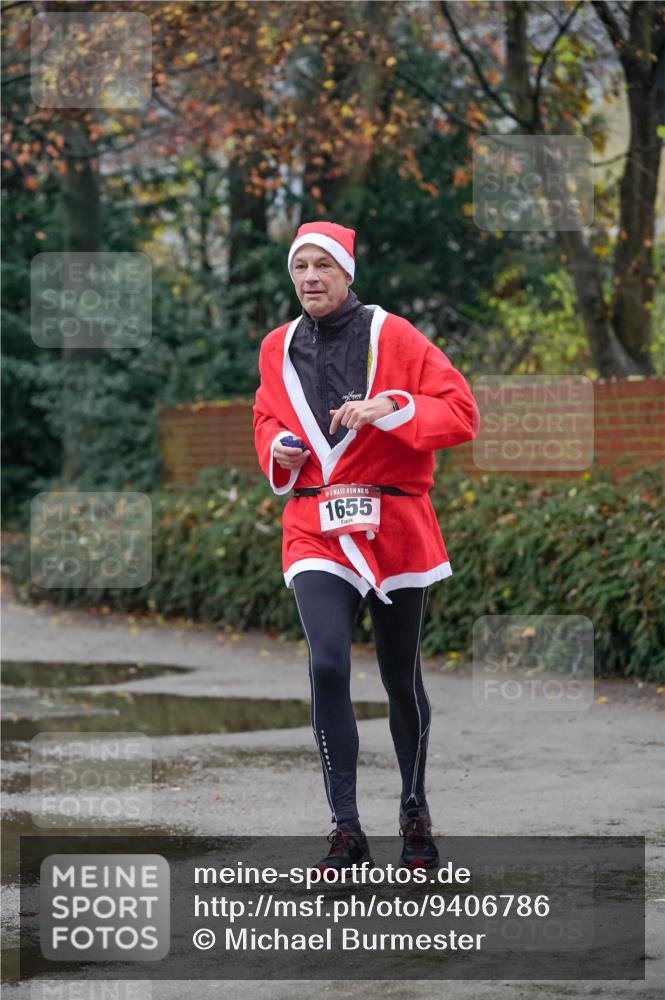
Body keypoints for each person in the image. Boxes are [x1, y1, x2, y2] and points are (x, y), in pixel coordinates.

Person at [253, 221, 479, 873]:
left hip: (393, 521)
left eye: (324, 265)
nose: (311, 278)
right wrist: (278, 448)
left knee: (397, 676)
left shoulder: (394, 334)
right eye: (300, 268)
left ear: (348, 272)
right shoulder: (277, 347)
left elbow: (459, 411)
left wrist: (394, 406)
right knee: (327, 664)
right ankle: (345, 828)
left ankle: (413, 810)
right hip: (315, 521)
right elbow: (266, 415)